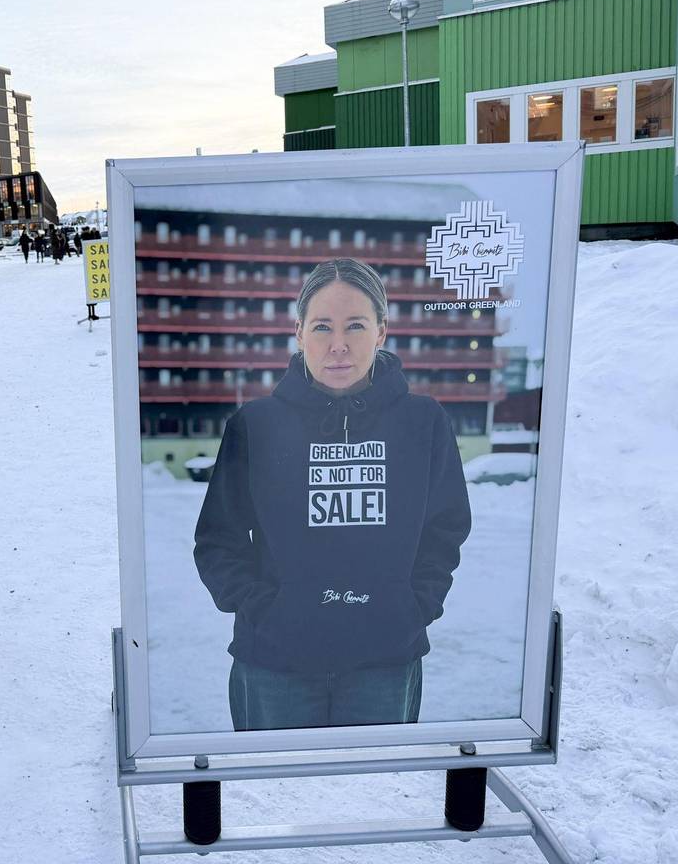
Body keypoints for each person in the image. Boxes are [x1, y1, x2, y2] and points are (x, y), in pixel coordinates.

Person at [193, 258, 471, 732]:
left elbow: (445, 528)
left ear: (381, 332)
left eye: (355, 325)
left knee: (375, 780)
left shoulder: (423, 423)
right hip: (274, 666)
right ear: (299, 333)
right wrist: (264, 611)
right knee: (274, 781)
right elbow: (218, 541)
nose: (338, 344)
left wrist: (414, 606)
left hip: (385, 663)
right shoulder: (255, 425)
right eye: (322, 326)